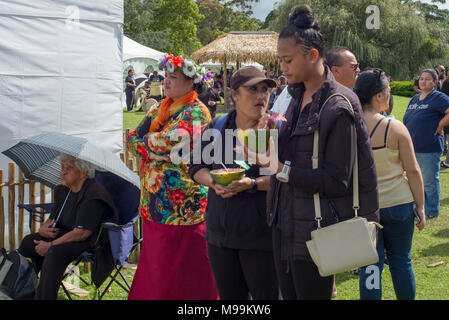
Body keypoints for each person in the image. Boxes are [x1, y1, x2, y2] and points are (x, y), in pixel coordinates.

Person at [262, 5, 379, 300]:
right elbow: (295, 154)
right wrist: (270, 136)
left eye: (287, 60)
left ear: (312, 55)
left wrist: (281, 170)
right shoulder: (295, 96)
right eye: (280, 60)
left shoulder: (337, 105)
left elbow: (337, 180)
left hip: (318, 231)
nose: (282, 67)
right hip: (285, 224)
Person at [126, 55, 218, 300]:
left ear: (191, 84)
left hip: (183, 208)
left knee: (183, 271)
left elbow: (170, 141)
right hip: (154, 205)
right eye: (166, 76)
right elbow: (131, 139)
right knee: (156, 267)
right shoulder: (159, 107)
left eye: (173, 78)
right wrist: (156, 152)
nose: (165, 81)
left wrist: (150, 144)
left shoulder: (198, 112)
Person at [188, 66, 279, 300]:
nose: (261, 96)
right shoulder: (218, 127)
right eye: (253, 90)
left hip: (262, 238)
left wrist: (252, 183)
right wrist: (213, 182)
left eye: (265, 90)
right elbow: (196, 168)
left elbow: (283, 179)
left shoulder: (274, 130)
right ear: (235, 95)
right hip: (221, 237)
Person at [354, 70, 426, 300]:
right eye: (388, 92)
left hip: (365, 208)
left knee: (370, 266)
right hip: (399, 205)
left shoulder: (348, 127)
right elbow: (413, 170)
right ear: (378, 96)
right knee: (401, 262)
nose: (389, 95)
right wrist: (421, 206)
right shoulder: (395, 128)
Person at [18, 154, 118, 300]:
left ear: (83, 172)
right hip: (65, 233)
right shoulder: (64, 190)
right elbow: (52, 220)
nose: (62, 172)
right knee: (29, 242)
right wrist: (43, 230)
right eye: (62, 168)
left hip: (90, 242)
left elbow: (82, 233)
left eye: (69, 168)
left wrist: (50, 244)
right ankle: (23, 290)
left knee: (53, 252)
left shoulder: (93, 195)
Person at [403, 69, 449, 219]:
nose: (423, 81)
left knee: (429, 181)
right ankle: (417, 206)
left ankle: (431, 211)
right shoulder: (415, 98)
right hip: (411, 146)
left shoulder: (439, 97)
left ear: (435, 83)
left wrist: (441, 124)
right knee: (413, 179)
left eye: (428, 79)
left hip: (429, 146)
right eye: (421, 78)